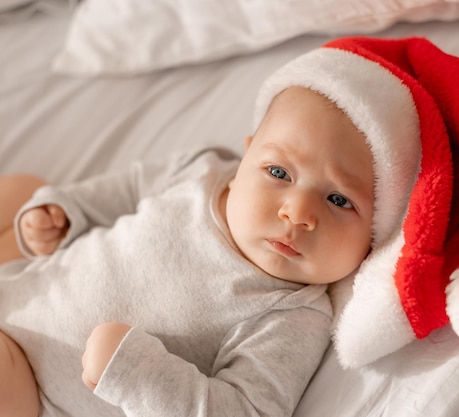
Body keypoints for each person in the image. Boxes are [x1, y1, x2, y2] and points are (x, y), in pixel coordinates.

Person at [0, 38, 423, 417]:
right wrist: (64, 213)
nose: (296, 212)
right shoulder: (202, 172)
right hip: (24, 283)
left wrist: (138, 373)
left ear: (375, 232)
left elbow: (244, 409)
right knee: (27, 190)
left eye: (338, 200)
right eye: (278, 171)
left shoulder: (291, 316)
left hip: (35, 387)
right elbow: (127, 188)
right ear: (245, 157)